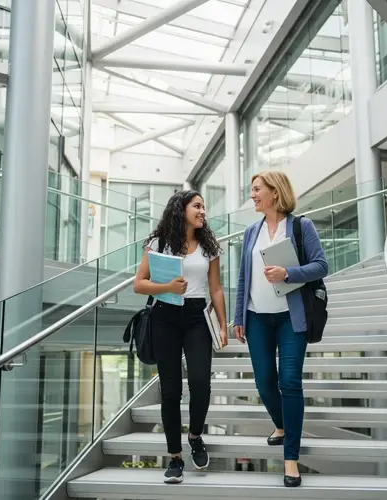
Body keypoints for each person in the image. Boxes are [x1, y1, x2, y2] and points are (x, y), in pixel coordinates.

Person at [233, 171, 328, 488]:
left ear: (275, 192)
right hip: (257, 317)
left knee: (289, 381)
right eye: (252, 190)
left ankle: (291, 458)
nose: (253, 195)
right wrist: (238, 317)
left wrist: (288, 273)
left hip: (291, 318)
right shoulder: (251, 231)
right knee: (264, 383)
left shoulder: (302, 227)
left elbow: (321, 266)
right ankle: (283, 424)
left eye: (257, 189)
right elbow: (243, 278)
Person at [134, 190, 228, 484]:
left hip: (198, 318)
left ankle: (196, 436)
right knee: (171, 389)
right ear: (181, 209)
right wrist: (168, 289)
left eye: (203, 207)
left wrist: (223, 325)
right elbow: (139, 285)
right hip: (165, 317)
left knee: (201, 382)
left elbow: (216, 289)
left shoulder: (209, 246)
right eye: (197, 206)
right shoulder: (158, 243)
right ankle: (175, 456)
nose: (202, 211)